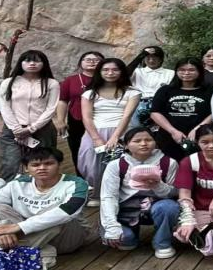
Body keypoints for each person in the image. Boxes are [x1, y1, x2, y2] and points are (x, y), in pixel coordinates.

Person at [0, 147, 97, 270]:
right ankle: (42, 252)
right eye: (35, 165)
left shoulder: (76, 183)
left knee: (56, 213)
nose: (42, 168)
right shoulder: (17, 183)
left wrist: (19, 227)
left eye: (48, 163)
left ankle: (3, 252)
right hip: (34, 237)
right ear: (26, 168)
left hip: (67, 238)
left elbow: (68, 211)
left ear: (59, 164)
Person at [99, 127, 181, 258]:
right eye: (137, 141)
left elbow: (175, 192)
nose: (143, 144)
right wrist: (111, 226)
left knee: (170, 207)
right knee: (125, 241)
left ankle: (162, 242)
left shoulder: (168, 163)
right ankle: (128, 234)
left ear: (155, 142)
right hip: (124, 209)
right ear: (126, 145)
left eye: (148, 140)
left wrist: (158, 185)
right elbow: (108, 196)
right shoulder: (116, 165)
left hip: (156, 207)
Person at [78, 58, 141, 203]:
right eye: (105, 70)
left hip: (123, 131)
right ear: (99, 72)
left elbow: (126, 116)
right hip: (94, 131)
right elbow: (87, 117)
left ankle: (118, 195)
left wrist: (115, 137)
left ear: (121, 72)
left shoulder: (132, 92)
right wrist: (96, 138)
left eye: (115, 70)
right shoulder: (89, 93)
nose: (110, 73)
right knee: (89, 164)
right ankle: (97, 194)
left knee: (121, 165)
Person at [0, 50, 60, 181]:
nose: (32, 63)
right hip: (13, 129)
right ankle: (6, 190)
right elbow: (5, 107)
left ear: (44, 64)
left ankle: (42, 189)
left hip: (42, 129)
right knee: (10, 163)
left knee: (42, 163)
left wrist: (31, 128)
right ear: (20, 63)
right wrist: (16, 128)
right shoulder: (8, 82)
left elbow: (51, 108)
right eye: (27, 60)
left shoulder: (51, 83)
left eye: (37, 61)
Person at [148, 58, 213, 160]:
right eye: (182, 70)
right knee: (171, 164)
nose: (186, 73)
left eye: (191, 70)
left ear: (200, 71)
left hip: (201, 136)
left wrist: (197, 129)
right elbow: (155, 112)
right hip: (169, 136)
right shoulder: (165, 90)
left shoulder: (209, 90)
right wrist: (173, 131)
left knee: (197, 164)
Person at [56, 51, 104, 169]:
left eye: (96, 60)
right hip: (76, 119)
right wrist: (60, 120)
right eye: (88, 59)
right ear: (80, 63)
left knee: (103, 149)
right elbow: (63, 101)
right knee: (78, 151)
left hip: (102, 120)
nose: (92, 62)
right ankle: (81, 177)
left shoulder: (108, 79)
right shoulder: (71, 80)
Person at [127, 46, 175, 128]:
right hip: (138, 103)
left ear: (161, 59)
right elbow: (123, 74)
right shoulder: (137, 71)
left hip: (160, 104)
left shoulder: (170, 73)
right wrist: (141, 55)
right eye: (148, 58)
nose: (151, 61)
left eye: (155, 58)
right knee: (136, 129)